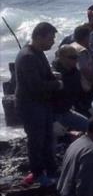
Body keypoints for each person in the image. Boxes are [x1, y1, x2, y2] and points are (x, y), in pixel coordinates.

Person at [15, 22, 64, 187]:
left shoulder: (39, 52)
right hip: (30, 105)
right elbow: (36, 86)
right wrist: (57, 85)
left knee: (48, 138)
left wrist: (54, 77)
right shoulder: (28, 57)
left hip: (43, 103)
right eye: (50, 39)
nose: (52, 42)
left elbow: (46, 74)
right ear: (38, 37)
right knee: (36, 141)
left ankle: (51, 169)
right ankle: (37, 173)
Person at [51, 45, 90, 134]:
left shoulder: (74, 71)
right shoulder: (54, 73)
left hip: (66, 111)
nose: (76, 60)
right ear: (61, 57)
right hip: (53, 114)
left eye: (77, 57)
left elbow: (84, 90)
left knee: (89, 126)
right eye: (72, 57)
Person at [71, 24, 93, 100]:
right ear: (86, 37)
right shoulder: (82, 51)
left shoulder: (73, 45)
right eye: (90, 36)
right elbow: (85, 70)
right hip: (86, 85)